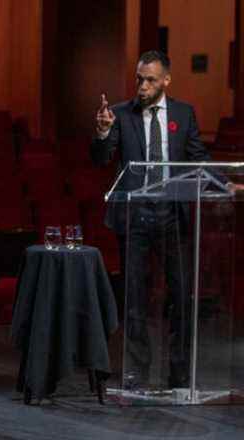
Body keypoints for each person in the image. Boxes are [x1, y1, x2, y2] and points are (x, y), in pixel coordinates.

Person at [90, 50, 209, 389]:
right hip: (135, 215)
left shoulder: (185, 114)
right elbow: (101, 159)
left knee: (182, 296)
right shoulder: (118, 114)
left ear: (166, 81)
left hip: (173, 214)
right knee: (135, 300)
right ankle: (137, 374)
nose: (142, 86)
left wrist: (222, 181)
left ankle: (179, 375)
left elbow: (199, 159)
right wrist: (101, 133)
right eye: (139, 79)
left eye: (150, 80)